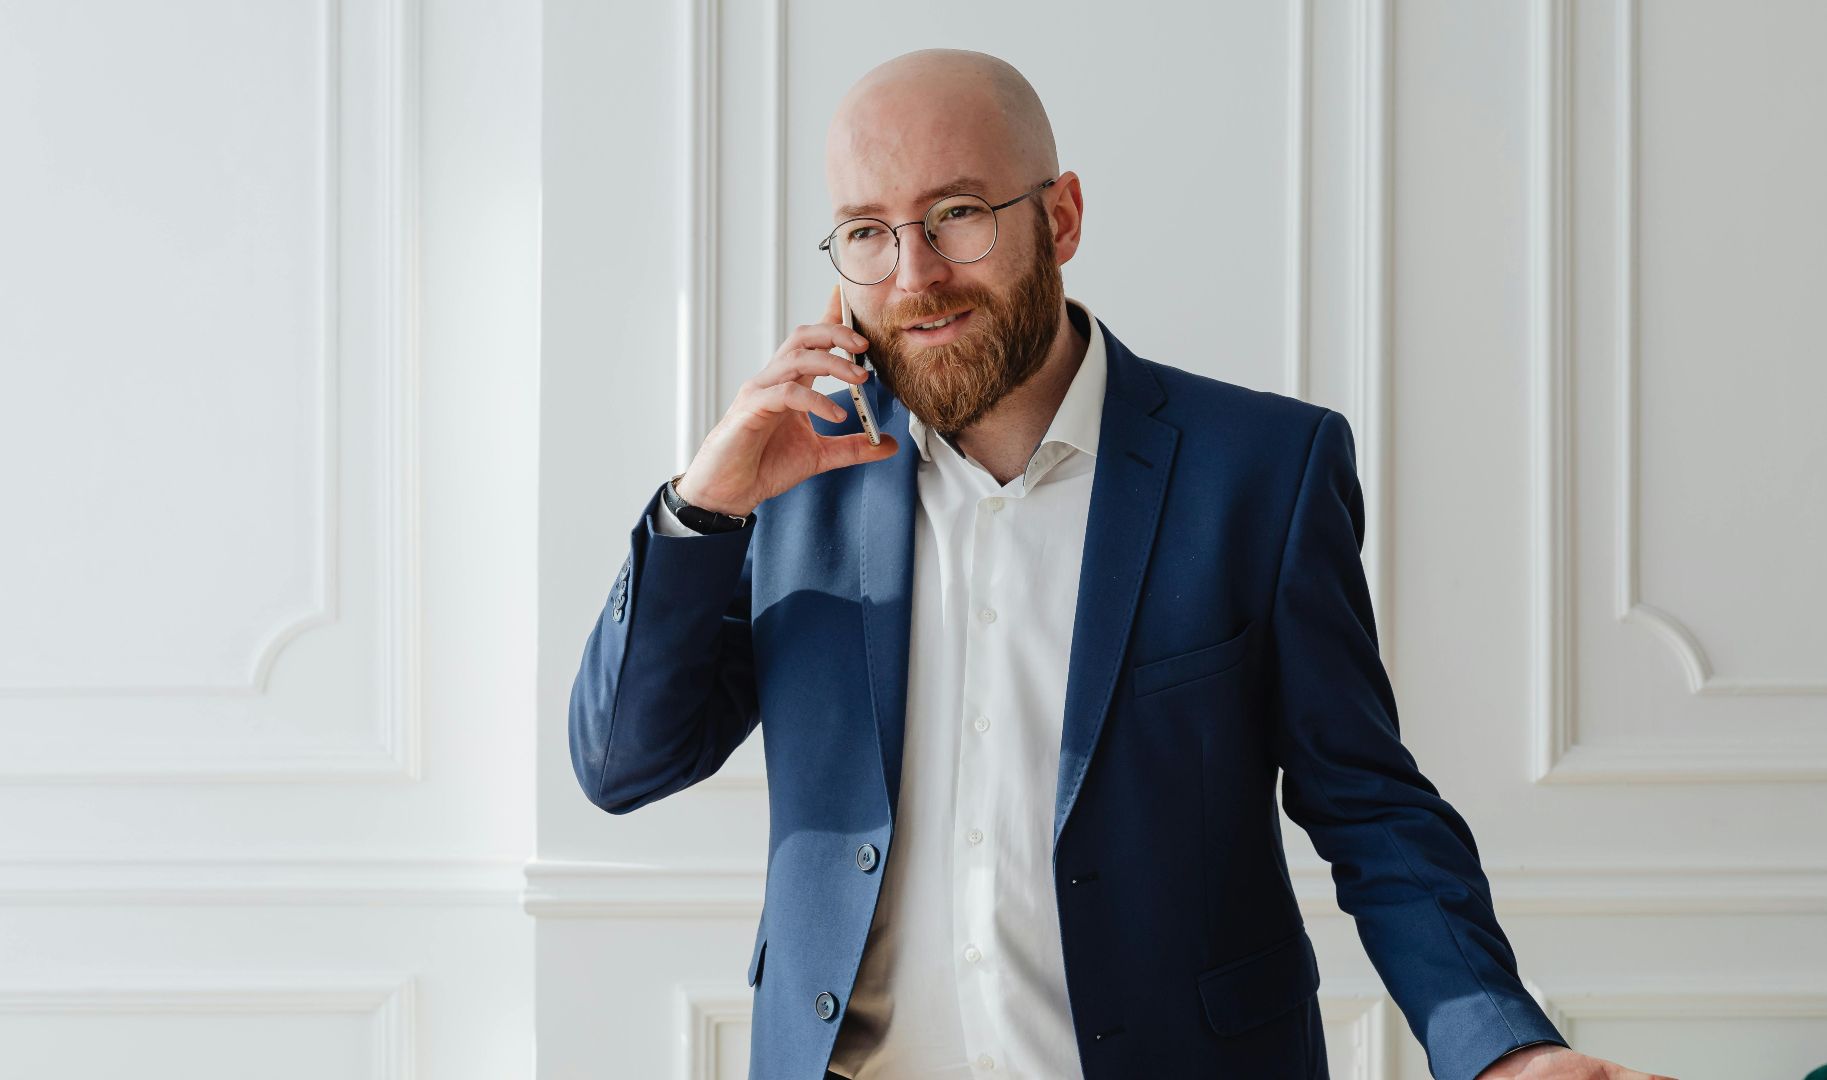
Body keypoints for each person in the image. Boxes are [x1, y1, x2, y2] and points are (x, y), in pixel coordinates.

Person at [569, 47, 1674, 1080]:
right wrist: (701, 506)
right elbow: (622, 765)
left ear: (1061, 218)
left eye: (957, 215)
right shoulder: (790, 485)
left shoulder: (1261, 471)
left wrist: (1501, 1048)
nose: (913, 275)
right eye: (868, 231)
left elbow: (1369, 806)